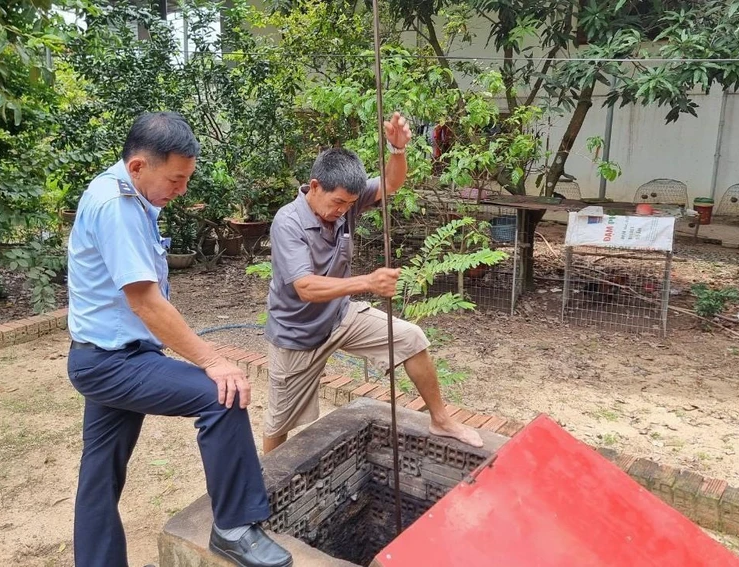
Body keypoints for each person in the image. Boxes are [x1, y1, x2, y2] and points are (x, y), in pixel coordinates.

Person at [66, 111, 292, 567]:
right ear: (138, 167)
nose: (181, 189)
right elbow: (145, 302)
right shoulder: (117, 206)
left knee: (99, 477)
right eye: (176, 178)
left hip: (101, 356)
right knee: (221, 395)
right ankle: (233, 527)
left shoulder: (121, 193)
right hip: (113, 363)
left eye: (186, 179)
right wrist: (212, 359)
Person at [262, 111, 484, 454]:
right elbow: (305, 287)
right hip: (297, 334)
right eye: (338, 203)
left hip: (340, 317)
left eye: (350, 204)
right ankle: (269, 482)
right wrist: (368, 281)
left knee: (411, 337)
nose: (343, 210)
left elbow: (392, 183)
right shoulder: (287, 223)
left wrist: (397, 151)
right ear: (315, 186)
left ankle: (441, 419)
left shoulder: (346, 197)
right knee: (279, 423)